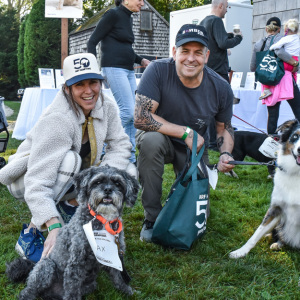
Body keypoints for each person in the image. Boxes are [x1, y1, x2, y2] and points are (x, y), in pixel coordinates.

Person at [0, 53, 133, 262]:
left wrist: (101, 177)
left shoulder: (105, 106)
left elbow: (122, 144)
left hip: (67, 178)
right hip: (25, 179)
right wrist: (52, 225)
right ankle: (30, 235)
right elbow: (37, 183)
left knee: (127, 171)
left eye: (93, 83)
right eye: (80, 85)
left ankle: (95, 224)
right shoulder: (57, 118)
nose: (89, 91)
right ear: (67, 88)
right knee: (71, 160)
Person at [134, 24, 235, 242]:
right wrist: (184, 132)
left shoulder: (220, 86)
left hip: (194, 149)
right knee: (151, 141)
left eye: (198, 52)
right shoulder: (157, 70)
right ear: (174, 52)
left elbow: (224, 129)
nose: (191, 58)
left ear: (207, 56)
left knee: (197, 217)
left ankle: (176, 201)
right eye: (185, 51)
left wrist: (226, 154)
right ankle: (152, 217)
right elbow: (141, 117)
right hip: (161, 138)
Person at [87, 0, 150, 164]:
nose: (142, 3)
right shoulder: (112, 14)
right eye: (140, 0)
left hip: (128, 70)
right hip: (113, 68)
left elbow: (125, 48)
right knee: (128, 112)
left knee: (133, 115)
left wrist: (141, 59)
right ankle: (102, 146)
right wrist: (93, 70)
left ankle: (128, 156)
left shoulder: (128, 18)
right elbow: (92, 42)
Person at [200, 0, 243, 150]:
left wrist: (228, 35)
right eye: (226, 7)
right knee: (223, 108)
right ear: (220, 6)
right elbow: (223, 43)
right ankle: (221, 142)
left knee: (210, 107)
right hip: (219, 72)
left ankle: (211, 141)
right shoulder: (216, 21)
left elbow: (215, 41)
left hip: (206, 71)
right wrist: (238, 37)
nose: (227, 11)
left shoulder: (203, 21)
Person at [250, 17, 300, 134]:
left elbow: (252, 67)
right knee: (298, 108)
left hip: (268, 83)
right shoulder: (283, 39)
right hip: (284, 79)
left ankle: (271, 142)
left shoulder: (258, 44)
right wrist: (295, 63)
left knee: (272, 115)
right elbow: (279, 52)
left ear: (266, 28)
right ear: (280, 29)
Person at [258, 19, 300, 100]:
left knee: (272, 67)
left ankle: (267, 89)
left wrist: (271, 48)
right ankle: (293, 85)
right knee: (293, 74)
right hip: (295, 60)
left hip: (286, 63)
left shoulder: (285, 38)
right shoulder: (297, 38)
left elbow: (278, 49)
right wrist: (296, 63)